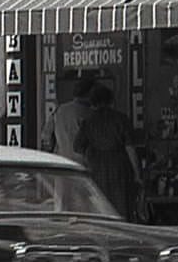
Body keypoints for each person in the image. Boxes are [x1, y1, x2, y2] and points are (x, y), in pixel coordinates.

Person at [78, 81, 143, 219]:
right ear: (111, 100)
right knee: (122, 208)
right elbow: (130, 149)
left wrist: (89, 161)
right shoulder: (121, 119)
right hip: (120, 167)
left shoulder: (88, 122)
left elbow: (78, 147)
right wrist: (137, 174)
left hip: (97, 169)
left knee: (101, 209)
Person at [39, 72, 97, 158]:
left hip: (62, 162)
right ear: (90, 93)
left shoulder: (59, 110)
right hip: (84, 163)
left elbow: (46, 138)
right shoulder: (91, 114)